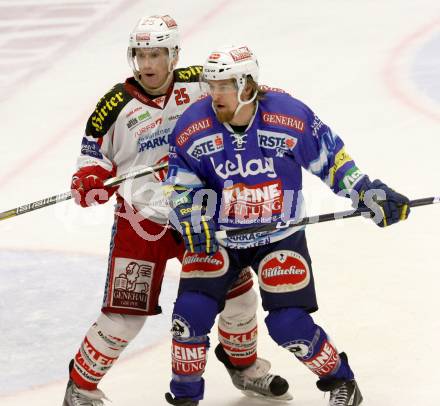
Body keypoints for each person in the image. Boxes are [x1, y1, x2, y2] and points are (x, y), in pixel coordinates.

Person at [164, 44, 411, 406]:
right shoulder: (193, 124)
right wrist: (189, 212)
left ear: (247, 86)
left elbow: (331, 160)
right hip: (220, 236)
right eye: (211, 85)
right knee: (189, 315)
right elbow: (179, 181)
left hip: (279, 235)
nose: (215, 94)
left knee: (288, 324)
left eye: (225, 85)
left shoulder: (288, 115)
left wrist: (367, 192)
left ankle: (342, 381)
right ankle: (185, 398)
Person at [64, 17, 291, 406]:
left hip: (197, 216)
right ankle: (80, 388)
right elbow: (92, 160)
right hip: (142, 222)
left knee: (239, 296)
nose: (148, 64)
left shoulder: (199, 81)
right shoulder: (113, 105)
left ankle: (244, 366)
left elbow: (248, 96)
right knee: (124, 317)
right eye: (140, 55)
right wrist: (89, 182)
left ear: (174, 54)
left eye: (156, 54)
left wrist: (271, 103)